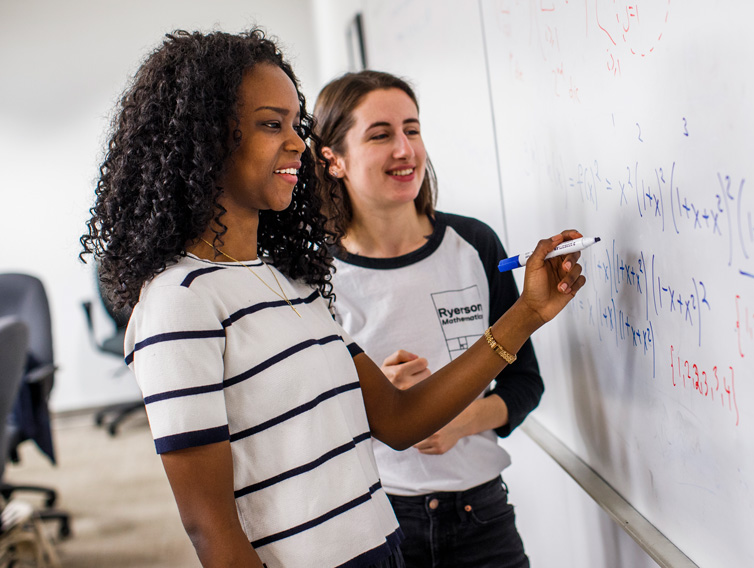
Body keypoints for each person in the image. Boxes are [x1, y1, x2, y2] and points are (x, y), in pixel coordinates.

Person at [80, 29, 585, 568]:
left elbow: (399, 419)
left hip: (384, 548)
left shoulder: (292, 280)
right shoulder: (179, 301)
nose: (298, 141)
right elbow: (212, 531)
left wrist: (528, 312)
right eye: (271, 124)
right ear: (203, 140)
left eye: (295, 124)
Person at [311, 71, 545, 568]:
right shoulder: (313, 279)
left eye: (412, 130)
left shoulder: (476, 245)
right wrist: (378, 402)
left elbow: (525, 382)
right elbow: (309, 422)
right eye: (381, 135)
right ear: (333, 160)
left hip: (482, 515)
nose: (405, 150)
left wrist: (461, 420)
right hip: (375, 520)